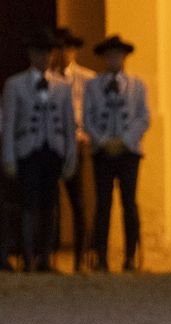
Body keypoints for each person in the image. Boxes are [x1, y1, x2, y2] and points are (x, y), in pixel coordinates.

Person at [2, 30, 77, 272]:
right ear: (30, 55)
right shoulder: (15, 84)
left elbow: (69, 125)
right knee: (29, 205)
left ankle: (45, 257)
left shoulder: (63, 86)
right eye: (38, 52)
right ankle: (28, 258)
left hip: (52, 150)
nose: (43, 57)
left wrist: (70, 157)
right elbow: (9, 124)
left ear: (52, 55)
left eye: (47, 52)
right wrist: (9, 157)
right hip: (28, 151)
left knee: (50, 206)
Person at [82, 35, 148, 272]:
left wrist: (125, 140)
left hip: (128, 152)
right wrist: (103, 141)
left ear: (124, 57)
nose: (114, 59)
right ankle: (101, 256)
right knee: (103, 204)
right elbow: (87, 117)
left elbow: (144, 118)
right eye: (110, 55)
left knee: (129, 204)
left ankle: (130, 256)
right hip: (103, 152)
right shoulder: (92, 85)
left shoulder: (138, 85)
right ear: (104, 58)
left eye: (118, 55)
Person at [49, 27, 94, 271]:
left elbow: (95, 113)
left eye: (69, 47)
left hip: (78, 145)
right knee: (51, 202)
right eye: (61, 48)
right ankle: (48, 256)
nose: (65, 52)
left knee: (80, 203)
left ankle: (81, 257)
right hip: (53, 145)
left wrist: (87, 135)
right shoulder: (47, 79)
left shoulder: (88, 78)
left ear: (74, 51)